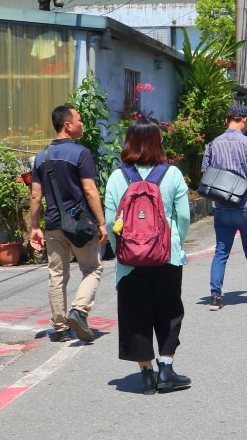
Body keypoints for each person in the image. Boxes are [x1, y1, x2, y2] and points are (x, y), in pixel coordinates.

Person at [104, 117, 191, 394]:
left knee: (135, 315)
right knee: (169, 311)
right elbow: (185, 217)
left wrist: (124, 250)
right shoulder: (172, 174)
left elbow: (109, 222)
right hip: (167, 257)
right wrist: (176, 243)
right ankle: (166, 369)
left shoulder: (118, 177)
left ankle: (145, 374)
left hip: (129, 261)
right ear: (157, 143)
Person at [29, 104, 107, 343]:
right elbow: (90, 189)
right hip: (80, 224)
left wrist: (34, 227)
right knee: (92, 269)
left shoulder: (41, 157)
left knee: (57, 275)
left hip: (53, 225)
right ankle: (79, 310)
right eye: (79, 120)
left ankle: (60, 328)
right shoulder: (80, 153)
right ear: (67, 125)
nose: (82, 123)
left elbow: (35, 195)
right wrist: (102, 222)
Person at [201, 104, 247, 310]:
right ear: (245, 120)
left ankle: (215, 296)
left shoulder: (213, 145)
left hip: (222, 206)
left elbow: (205, 173)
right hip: (246, 205)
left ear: (226, 120)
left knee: (221, 251)